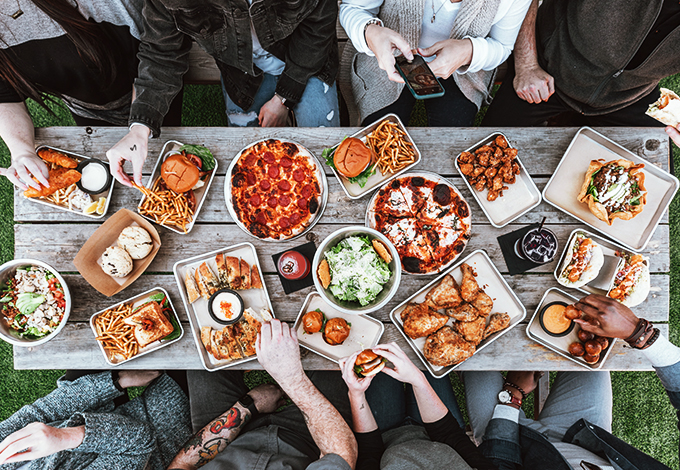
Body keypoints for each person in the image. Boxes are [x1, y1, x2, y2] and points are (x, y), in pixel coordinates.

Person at [106, 0, 340, 187]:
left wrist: (283, 99)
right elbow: (161, 53)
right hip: (243, 76)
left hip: (308, 62)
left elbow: (318, 27)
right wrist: (139, 129)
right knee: (249, 170)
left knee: (328, 160)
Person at [464, 294, 679, 470]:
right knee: (588, 346)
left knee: (469, 353)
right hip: (582, 436)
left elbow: (499, 464)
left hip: (513, 447)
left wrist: (512, 396)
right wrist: (638, 334)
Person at [0, 0, 176, 191]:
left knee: (166, 164)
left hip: (153, 94)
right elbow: (5, 93)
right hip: (85, 108)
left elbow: (159, 54)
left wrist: (141, 126)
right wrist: (21, 151)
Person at [482, 0, 680, 145]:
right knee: (487, 149)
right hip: (549, 66)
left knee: (650, 172)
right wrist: (527, 64)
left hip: (630, 94)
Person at [168, 319, 357, 470]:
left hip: (224, 442)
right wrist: (291, 379)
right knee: (338, 352)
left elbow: (183, 465)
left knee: (202, 345)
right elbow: (340, 455)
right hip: (308, 442)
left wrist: (248, 406)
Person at [338, 0, 532, 127]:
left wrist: (469, 51)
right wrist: (370, 33)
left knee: (451, 140)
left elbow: (502, 46)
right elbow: (354, 9)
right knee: (378, 136)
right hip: (387, 59)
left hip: (462, 73)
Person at [338, 342, 496, 470]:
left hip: (383, 435)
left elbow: (369, 453)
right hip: (441, 434)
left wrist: (356, 394)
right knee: (426, 348)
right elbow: (450, 435)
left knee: (371, 344)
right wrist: (418, 380)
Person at [0, 370, 191, 469]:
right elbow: (140, 440)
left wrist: (115, 381)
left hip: (95, 409)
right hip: (160, 425)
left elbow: (43, 411)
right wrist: (64, 437)